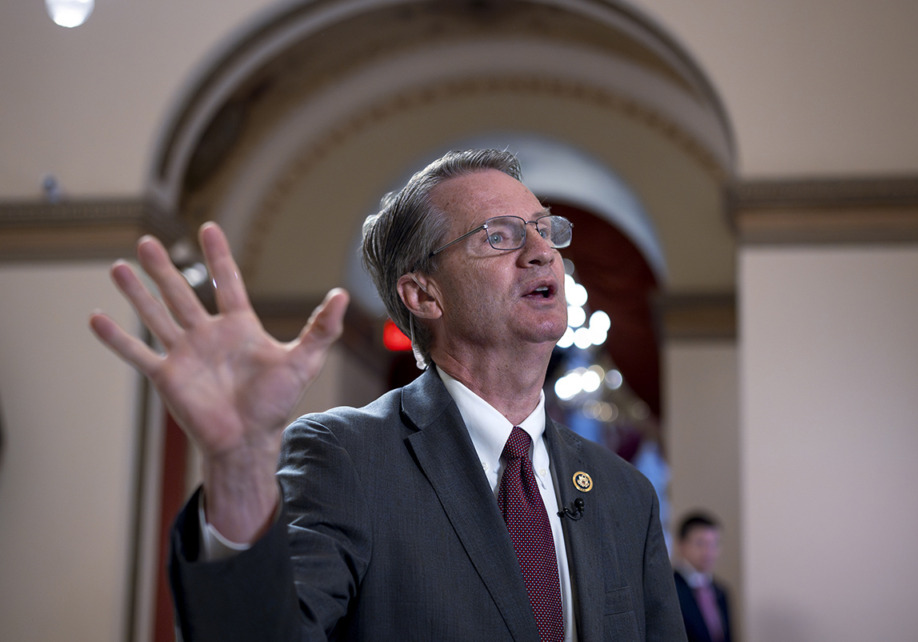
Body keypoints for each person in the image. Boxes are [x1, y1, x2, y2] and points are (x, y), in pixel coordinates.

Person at [91, 149, 685, 641]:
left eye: (543, 228)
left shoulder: (622, 493)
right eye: (498, 237)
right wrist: (240, 468)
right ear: (424, 295)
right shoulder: (347, 457)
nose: (541, 252)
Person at [672, 512, 733, 642]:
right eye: (700, 543)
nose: (708, 551)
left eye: (714, 544)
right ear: (681, 545)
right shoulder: (670, 590)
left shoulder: (721, 591)